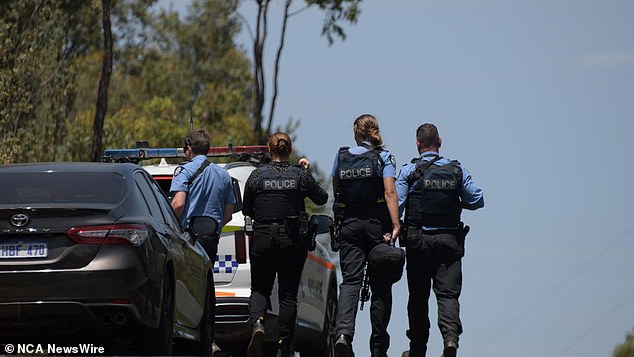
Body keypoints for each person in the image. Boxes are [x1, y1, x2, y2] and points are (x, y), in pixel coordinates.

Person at [396, 123, 484, 357]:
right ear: (440, 142)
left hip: (418, 241)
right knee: (447, 295)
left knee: (418, 296)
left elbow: (396, 206)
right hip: (449, 242)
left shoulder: (408, 172)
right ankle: (450, 341)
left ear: (417, 144)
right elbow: (477, 199)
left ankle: (417, 350)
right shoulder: (456, 170)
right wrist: (458, 203)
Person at [241, 132, 328, 357]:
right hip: (291, 240)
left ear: (270, 150)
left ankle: (258, 323)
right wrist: (307, 172)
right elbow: (322, 198)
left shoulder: (256, 176)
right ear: (289, 151)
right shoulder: (300, 176)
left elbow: (247, 209)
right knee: (288, 295)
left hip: (262, 237)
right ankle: (283, 344)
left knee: (260, 288)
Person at [332, 114, 401, 357]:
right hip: (377, 226)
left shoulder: (341, 156)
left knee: (350, 282)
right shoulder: (383, 157)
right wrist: (395, 225)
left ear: (356, 133)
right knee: (381, 286)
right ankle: (379, 346)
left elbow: (336, 189)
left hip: (350, 225)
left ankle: (342, 335)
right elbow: (390, 192)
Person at [170, 129, 236, 354]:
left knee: (186, 288)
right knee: (208, 287)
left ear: (188, 149)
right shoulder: (224, 175)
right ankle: (210, 339)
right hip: (211, 239)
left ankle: (187, 335)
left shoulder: (183, 171)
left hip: (188, 238)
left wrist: (169, 223)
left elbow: (178, 205)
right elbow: (228, 214)